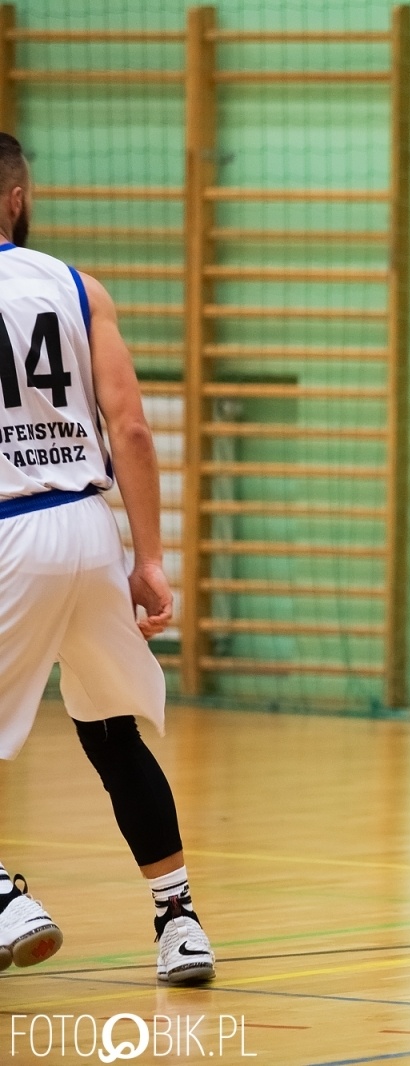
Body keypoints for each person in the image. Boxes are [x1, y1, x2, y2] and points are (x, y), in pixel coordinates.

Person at [0, 132, 215, 985]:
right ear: (18, 195)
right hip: (88, 528)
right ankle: (180, 921)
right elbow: (130, 427)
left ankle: (7, 897)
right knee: (110, 730)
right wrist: (151, 559)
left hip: (8, 527)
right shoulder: (76, 287)